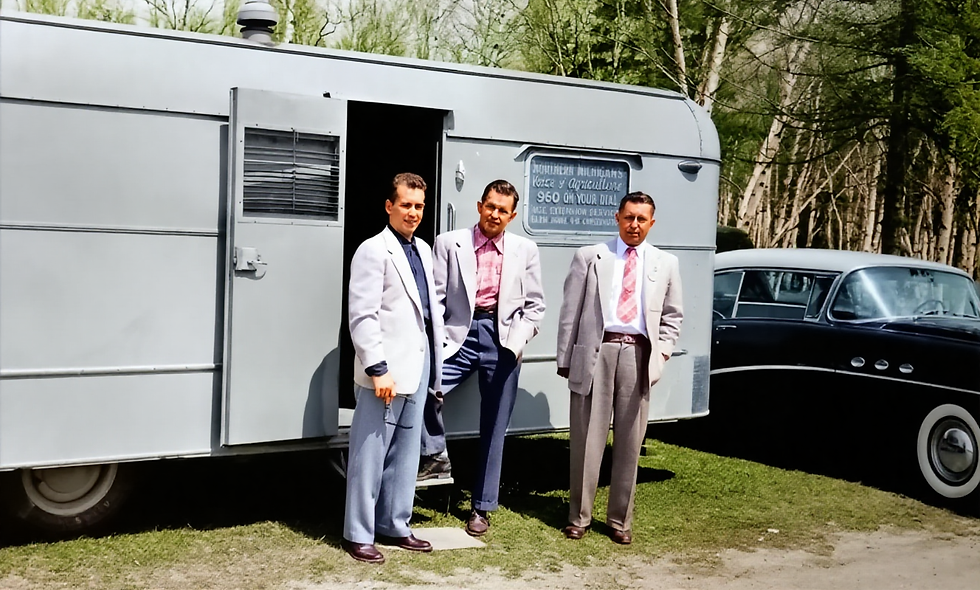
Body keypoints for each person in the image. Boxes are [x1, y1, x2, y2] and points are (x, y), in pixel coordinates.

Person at [418, 179, 546, 537]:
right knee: (426, 386)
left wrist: (517, 342)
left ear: (512, 216)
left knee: (494, 425)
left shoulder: (525, 249)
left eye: (502, 210)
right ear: (479, 206)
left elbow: (536, 306)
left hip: (501, 339)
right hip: (458, 333)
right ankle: (434, 456)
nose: (494, 214)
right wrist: (437, 339)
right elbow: (437, 299)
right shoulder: (449, 243)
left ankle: (481, 507)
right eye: (490, 206)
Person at [556, 191, 683, 545]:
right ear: (617, 217)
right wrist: (566, 359)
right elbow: (570, 312)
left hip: (639, 355)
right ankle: (579, 516)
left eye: (642, 219)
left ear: (652, 223)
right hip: (598, 350)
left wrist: (662, 355)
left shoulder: (665, 263)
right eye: (629, 217)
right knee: (586, 438)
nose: (635, 225)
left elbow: (673, 316)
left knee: (630, 440)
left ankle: (619, 520)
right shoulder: (592, 256)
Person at [342, 173, 444, 564]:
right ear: (389, 206)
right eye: (406, 205)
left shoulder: (423, 250)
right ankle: (358, 533)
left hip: (417, 365)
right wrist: (377, 368)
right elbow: (362, 316)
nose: (413, 213)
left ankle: (395, 523)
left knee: (405, 452)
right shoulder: (372, 250)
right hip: (384, 371)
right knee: (370, 453)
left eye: (419, 206)